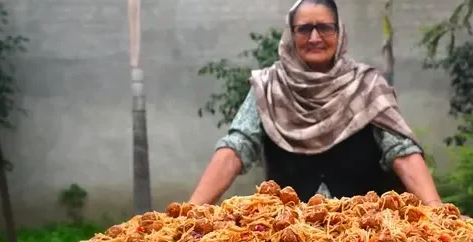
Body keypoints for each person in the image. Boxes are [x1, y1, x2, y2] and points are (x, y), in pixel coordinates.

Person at [189, 0, 441, 206]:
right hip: (289, 236)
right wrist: (189, 213)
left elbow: (402, 152)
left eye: (324, 27)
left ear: (339, 32)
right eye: (304, 28)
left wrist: (436, 210)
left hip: (366, 236)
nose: (314, 37)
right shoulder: (270, 87)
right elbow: (236, 148)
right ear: (291, 34)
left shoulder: (367, 86)